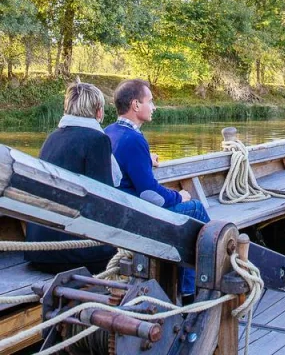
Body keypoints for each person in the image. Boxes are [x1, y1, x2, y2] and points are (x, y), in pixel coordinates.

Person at [105, 79, 210, 296]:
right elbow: (150, 194)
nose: (154, 107)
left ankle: (187, 288)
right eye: (150, 101)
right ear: (135, 105)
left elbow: (124, 164)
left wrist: (146, 159)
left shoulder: (110, 132)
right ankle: (195, 290)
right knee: (195, 209)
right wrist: (179, 196)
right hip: (136, 217)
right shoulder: (134, 140)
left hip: (119, 211)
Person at [25, 80, 118, 273]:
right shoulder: (97, 140)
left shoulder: (52, 138)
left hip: (37, 251)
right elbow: (105, 200)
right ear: (98, 111)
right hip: (73, 253)